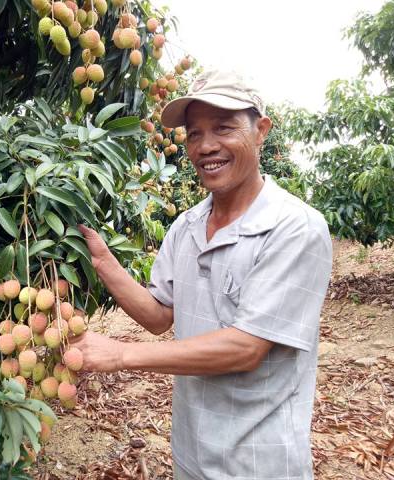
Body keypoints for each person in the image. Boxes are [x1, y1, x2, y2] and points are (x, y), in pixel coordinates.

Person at [73, 69, 333, 480]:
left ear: (261, 130)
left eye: (224, 128)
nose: (206, 146)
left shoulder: (295, 227)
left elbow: (246, 347)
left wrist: (120, 354)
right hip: (192, 453)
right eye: (194, 134)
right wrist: (103, 262)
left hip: (257, 462)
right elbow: (159, 316)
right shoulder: (187, 226)